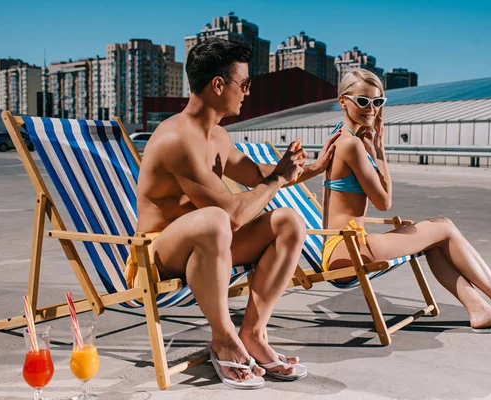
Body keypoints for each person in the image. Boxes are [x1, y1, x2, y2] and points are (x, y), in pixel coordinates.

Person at [128, 38, 339, 388]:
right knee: (215, 220)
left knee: (289, 221)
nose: (247, 93)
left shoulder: (219, 136)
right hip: (157, 255)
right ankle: (224, 338)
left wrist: (312, 167)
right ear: (218, 85)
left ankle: (253, 333)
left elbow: (259, 176)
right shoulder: (177, 139)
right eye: (244, 85)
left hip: (211, 245)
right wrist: (276, 180)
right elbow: (233, 214)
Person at [321, 69, 491, 334]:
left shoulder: (343, 136)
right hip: (347, 251)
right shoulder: (351, 144)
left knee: (435, 243)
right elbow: (384, 202)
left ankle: (479, 310)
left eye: (378, 102)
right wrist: (380, 152)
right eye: (363, 101)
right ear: (343, 101)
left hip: (345, 245)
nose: (371, 109)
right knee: (444, 227)